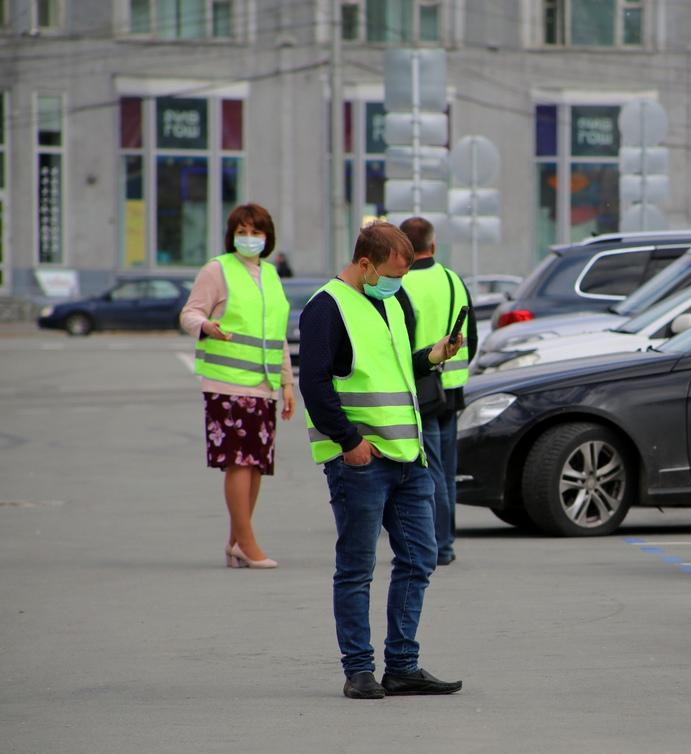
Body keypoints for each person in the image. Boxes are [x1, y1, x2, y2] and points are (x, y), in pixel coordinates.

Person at [299, 221, 463, 700]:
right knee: (356, 568)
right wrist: (348, 440)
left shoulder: (389, 301)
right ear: (365, 262)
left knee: (419, 558)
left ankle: (403, 666)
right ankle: (359, 670)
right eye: (392, 272)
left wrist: (430, 356)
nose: (398, 282)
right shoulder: (326, 307)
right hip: (361, 462)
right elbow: (315, 384)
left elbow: (392, 369)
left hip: (408, 457)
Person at [181, 203, 295, 570]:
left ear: (268, 237)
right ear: (232, 235)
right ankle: (246, 542)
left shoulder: (272, 275)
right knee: (238, 462)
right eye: (242, 231)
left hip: (263, 384)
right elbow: (190, 313)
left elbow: (277, 336)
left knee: (257, 464)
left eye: (256, 232)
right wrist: (207, 326)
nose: (249, 238)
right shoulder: (218, 269)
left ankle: (235, 541)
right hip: (227, 383)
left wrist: (288, 384)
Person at [397, 216, 477, 567]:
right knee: (447, 470)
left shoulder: (401, 286)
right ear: (433, 245)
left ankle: (439, 545)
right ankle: (447, 540)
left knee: (431, 471)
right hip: (454, 388)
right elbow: (470, 337)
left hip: (423, 389)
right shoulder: (452, 279)